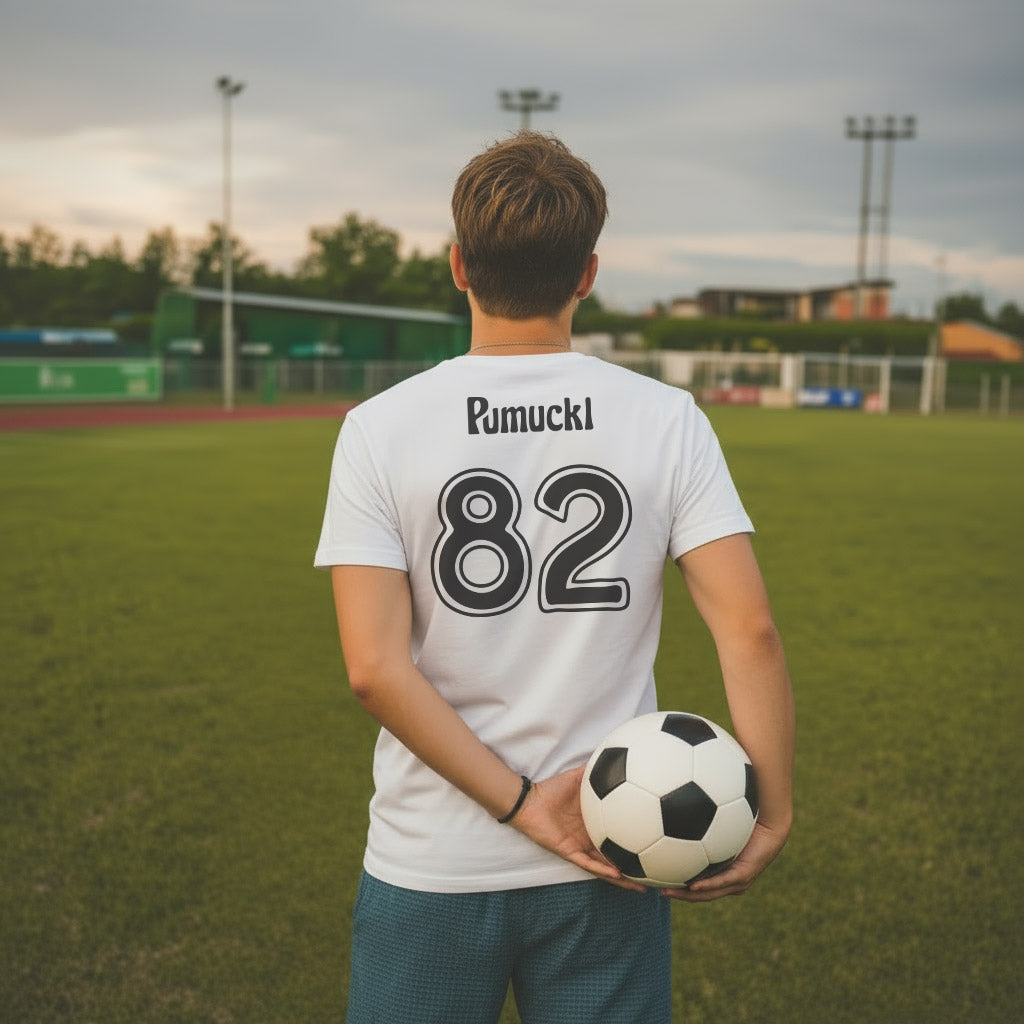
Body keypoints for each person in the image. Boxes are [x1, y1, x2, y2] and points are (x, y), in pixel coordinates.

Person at [314, 132, 795, 1024]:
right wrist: (768, 811)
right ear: (587, 274)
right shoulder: (666, 419)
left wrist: (523, 806)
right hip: (612, 852)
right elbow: (748, 630)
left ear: (458, 266)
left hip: (432, 862)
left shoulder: (379, 428)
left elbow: (375, 668)